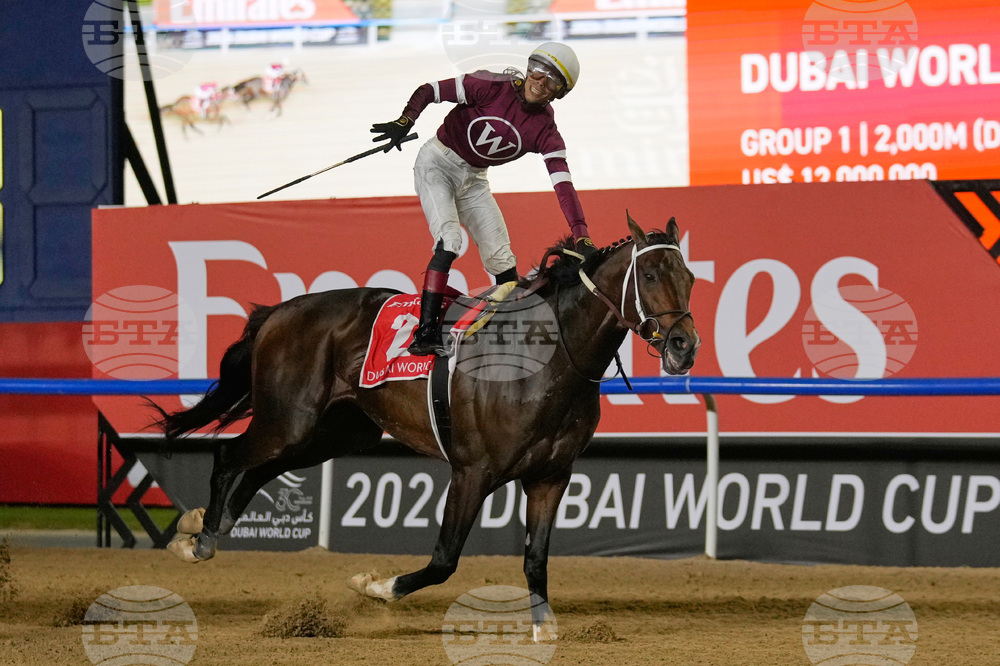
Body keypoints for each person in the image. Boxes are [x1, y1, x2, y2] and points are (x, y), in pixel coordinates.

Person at [371, 42, 596, 357]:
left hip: (474, 178)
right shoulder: (491, 85)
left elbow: (564, 185)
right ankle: (426, 333)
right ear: (529, 66)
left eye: (552, 80)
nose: (540, 81)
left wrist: (581, 234)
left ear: (559, 92)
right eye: (538, 69)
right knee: (450, 241)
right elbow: (429, 90)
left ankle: (507, 330)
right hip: (436, 163)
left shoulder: (546, 131)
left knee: (503, 261)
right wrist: (405, 120)